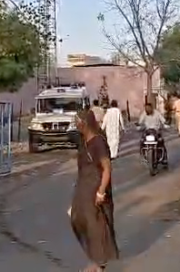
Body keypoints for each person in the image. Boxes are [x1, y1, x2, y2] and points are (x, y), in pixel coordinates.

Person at [70, 110, 118, 272]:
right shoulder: (84, 142)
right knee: (78, 221)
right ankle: (94, 260)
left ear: (85, 123)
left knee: (96, 227)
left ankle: (99, 265)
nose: (76, 125)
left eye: (77, 122)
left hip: (96, 191)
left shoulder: (98, 142)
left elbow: (106, 168)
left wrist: (101, 192)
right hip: (84, 190)